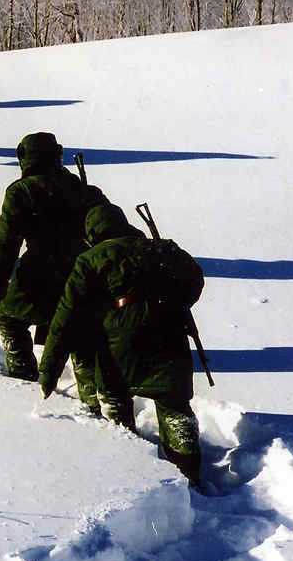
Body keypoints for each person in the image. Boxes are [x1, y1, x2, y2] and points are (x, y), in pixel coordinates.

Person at [38, 203, 205, 485]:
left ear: (92, 233)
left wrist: (49, 370)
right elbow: (195, 280)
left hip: (119, 345)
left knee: (115, 403)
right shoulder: (163, 249)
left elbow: (65, 318)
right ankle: (190, 475)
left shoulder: (90, 259)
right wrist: (172, 304)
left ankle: (129, 473)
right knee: (175, 406)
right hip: (169, 335)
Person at [0, 132, 107, 391]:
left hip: (39, 273)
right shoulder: (85, 189)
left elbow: (6, 244)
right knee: (79, 335)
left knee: (9, 318)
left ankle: (24, 379)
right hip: (83, 275)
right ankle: (92, 395)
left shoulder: (21, 191)